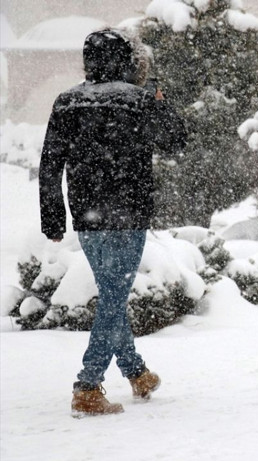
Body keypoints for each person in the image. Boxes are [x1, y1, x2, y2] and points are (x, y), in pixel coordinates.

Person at [39, 28, 187, 417]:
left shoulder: (67, 102)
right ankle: (87, 385)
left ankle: (136, 372)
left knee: (111, 294)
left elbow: (50, 164)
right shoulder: (139, 100)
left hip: (87, 216)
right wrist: (160, 101)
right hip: (128, 213)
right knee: (114, 297)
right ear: (126, 61)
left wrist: (53, 218)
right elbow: (176, 140)